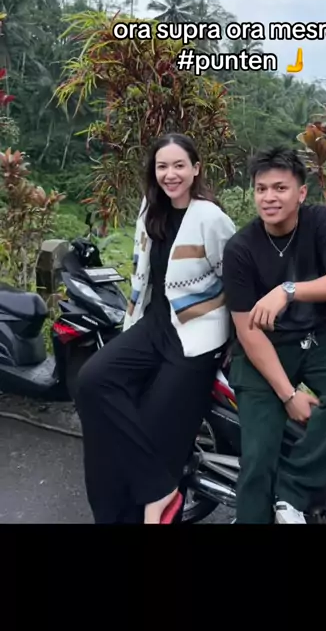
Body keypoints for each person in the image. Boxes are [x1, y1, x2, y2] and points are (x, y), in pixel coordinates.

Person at [75, 133, 236, 524]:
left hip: (198, 333)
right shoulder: (151, 210)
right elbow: (143, 275)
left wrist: (235, 342)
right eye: (162, 166)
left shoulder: (211, 218)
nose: (170, 174)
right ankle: (156, 489)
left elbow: (236, 280)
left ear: (196, 169)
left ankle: (155, 502)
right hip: (155, 323)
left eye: (179, 165)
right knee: (92, 381)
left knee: (157, 425)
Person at [222, 146, 326, 524]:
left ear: (301, 192)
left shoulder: (319, 221)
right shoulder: (240, 249)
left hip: (317, 339)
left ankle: (291, 493)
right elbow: (248, 332)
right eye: (261, 189)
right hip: (264, 350)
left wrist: (287, 290)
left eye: (280, 188)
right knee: (258, 458)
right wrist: (289, 396)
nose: (269, 197)